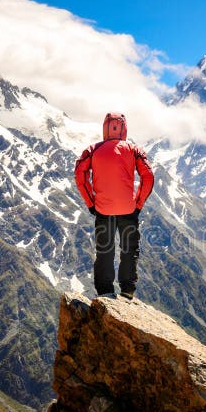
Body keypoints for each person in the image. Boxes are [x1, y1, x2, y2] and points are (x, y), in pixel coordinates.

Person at [74, 113, 154, 299]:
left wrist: (91, 203)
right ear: (124, 128)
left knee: (104, 251)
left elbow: (80, 174)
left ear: (105, 128)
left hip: (103, 210)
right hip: (128, 211)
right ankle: (127, 290)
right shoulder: (134, 150)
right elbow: (148, 176)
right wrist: (138, 204)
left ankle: (105, 292)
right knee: (129, 250)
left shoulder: (93, 150)